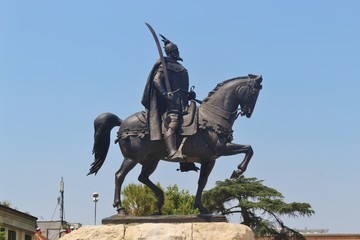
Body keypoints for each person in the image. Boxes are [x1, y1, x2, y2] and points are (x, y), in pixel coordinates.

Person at [141, 34, 198, 172]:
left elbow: (182, 86)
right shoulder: (164, 65)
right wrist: (165, 94)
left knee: (195, 122)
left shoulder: (180, 67)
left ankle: (187, 159)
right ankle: (172, 151)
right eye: (175, 50)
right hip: (170, 104)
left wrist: (189, 94)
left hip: (183, 102)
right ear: (172, 52)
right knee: (173, 121)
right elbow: (156, 80)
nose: (177, 52)